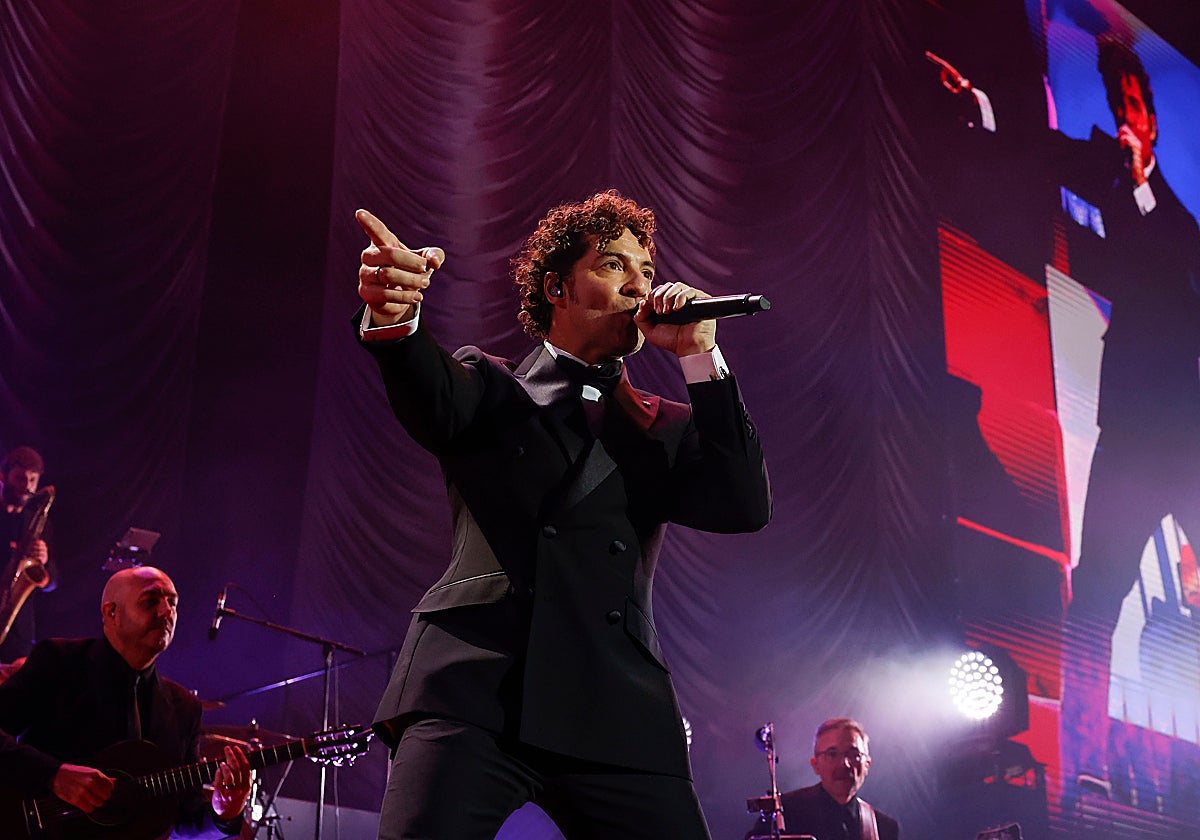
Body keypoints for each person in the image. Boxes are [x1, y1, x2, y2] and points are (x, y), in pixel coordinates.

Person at [354, 189, 771, 839]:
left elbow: (744, 505)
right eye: (612, 264)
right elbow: (428, 397)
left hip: (616, 702)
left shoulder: (664, 428)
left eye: (646, 271)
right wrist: (395, 316)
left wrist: (699, 354)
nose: (638, 284)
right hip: (475, 684)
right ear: (557, 288)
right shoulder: (490, 386)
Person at [1052, 39, 1200, 813]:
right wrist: (977, 102)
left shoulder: (1176, 216)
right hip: (1131, 437)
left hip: (1190, 442)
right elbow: (1036, 153)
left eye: (1134, 106)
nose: (1124, 119)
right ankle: (1086, 763)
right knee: (1096, 599)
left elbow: (1170, 270)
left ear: (1152, 119)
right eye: (1116, 106)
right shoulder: (1099, 174)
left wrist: (1140, 184)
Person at [0, 565, 252, 837]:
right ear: (111, 612)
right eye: (151, 601)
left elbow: (181, 819)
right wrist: (53, 774)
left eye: (173, 603)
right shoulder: (59, 662)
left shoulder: (183, 707)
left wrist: (225, 814)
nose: (166, 611)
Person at [746, 718, 899, 840]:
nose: (844, 764)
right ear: (815, 765)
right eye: (832, 754)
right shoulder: (785, 812)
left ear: (867, 765)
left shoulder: (883, 827)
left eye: (854, 755)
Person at [0, 446, 54, 663]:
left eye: (33, 480)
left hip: (19, 635)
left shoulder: (39, 523)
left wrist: (44, 561)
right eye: (20, 478)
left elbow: (52, 583)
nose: (27, 487)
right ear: (5, 476)